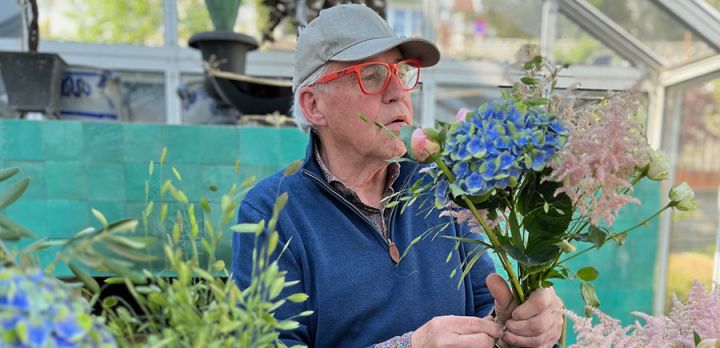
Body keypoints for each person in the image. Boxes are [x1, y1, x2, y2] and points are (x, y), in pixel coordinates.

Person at [231, 4, 564, 347]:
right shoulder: (271, 213)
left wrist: (527, 328)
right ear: (314, 105)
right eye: (371, 76)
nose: (398, 93)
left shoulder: (441, 188)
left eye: (402, 73)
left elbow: (485, 313)